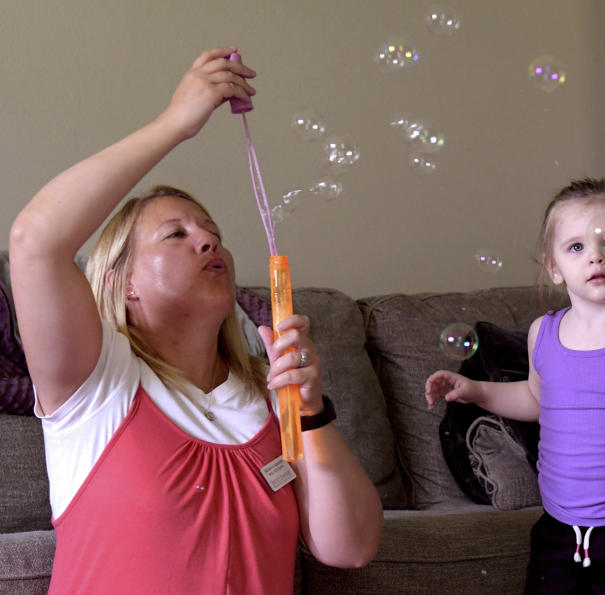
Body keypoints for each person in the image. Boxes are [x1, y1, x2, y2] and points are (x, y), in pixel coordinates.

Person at [9, 47, 382, 593]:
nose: (210, 240)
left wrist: (310, 412)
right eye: (175, 235)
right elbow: (35, 241)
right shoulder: (97, 382)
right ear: (122, 281)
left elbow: (351, 548)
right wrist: (174, 125)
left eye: (212, 233)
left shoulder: (264, 397)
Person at [425, 178, 605, 594]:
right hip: (558, 529)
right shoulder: (543, 333)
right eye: (576, 247)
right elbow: (536, 399)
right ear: (554, 268)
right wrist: (477, 391)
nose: (595, 256)